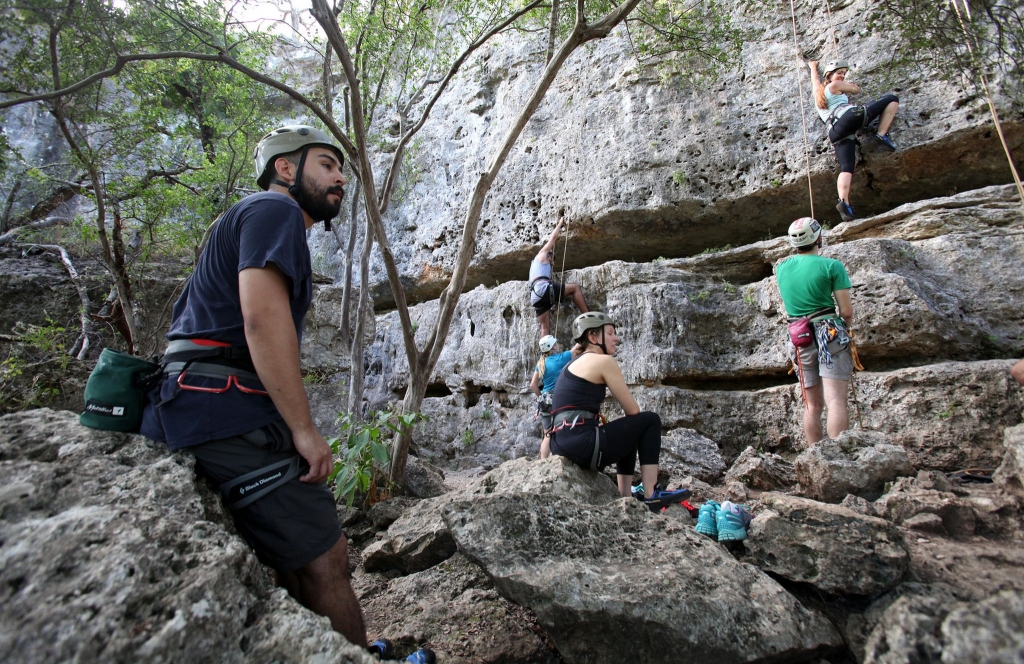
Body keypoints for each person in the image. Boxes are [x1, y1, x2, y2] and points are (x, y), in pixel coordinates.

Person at [139, 125, 371, 649]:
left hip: (198, 398)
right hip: (222, 405)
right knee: (325, 556)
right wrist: (304, 429)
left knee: (290, 558)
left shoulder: (250, 219)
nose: (339, 179)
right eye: (326, 165)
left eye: (341, 170)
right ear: (285, 169)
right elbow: (261, 323)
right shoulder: (275, 211)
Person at [549, 312, 689, 512]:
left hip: (562, 443)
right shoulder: (603, 361)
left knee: (626, 428)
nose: (616, 338)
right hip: (582, 443)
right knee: (649, 420)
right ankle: (651, 493)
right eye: (611, 333)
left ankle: (626, 495)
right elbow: (633, 410)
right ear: (593, 337)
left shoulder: (572, 364)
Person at [776, 217, 855, 445]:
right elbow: (846, 311)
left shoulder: (781, 269)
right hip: (829, 333)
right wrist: (845, 330)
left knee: (812, 405)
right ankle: (840, 456)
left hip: (800, 336)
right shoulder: (832, 266)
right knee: (836, 401)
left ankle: (815, 457)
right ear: (818, 238)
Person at [807, 59, 900, 223]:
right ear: (830, 76)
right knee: (892, 98)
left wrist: (813, 67)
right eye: (839, 73)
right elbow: (856, 89)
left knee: (846, 167)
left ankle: (844, 202)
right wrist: (849, 85)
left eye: (844, 73)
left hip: (835, 131)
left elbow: (815, 81)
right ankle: (881, 134)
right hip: (848, 117)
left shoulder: (818, 95)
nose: (842, 76)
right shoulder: (834, 86)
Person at [529, 214, 588, 337]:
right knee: (575, 287)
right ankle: (587, 317)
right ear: (549, 255)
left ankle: (545, 354)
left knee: (545, 327)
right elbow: (553, 238)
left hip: (535, 296)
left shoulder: (534, 265)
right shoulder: (543, 253)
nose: (551, 263)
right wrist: (560, 223)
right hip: (543, 289)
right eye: (552, 260)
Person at [530, 335, 575, 459]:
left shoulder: (540, 363)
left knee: (547, 434)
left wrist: (541, 397)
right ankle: (564, 458)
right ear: (553, 346)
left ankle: (543, 462)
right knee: (564, 428)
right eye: (556, 343)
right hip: (559, 399)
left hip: (545, 400)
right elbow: (576, 349)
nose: (557, 345)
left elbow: (533, 385)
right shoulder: (562, 358)